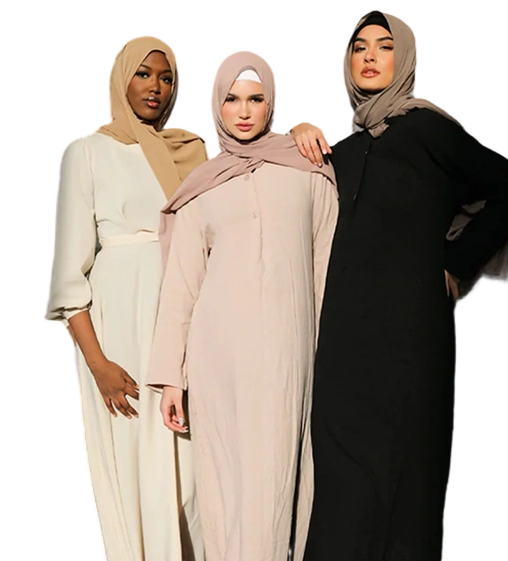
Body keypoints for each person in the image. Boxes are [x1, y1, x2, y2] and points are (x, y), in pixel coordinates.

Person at [291, 12, 508, 561]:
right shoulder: (339, 152)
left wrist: (459, 262)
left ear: (405, 58)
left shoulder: (428, 131)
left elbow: (505, 187)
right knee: (340, 500)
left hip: (410, 345)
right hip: (340, 348)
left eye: (384, 46)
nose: (369, 56)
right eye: (359, 46)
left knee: (405, 495)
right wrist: (295, 133)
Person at [146, 50, 338, 561]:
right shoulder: (203, 187)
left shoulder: (310, 173)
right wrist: (171, 379)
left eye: (255, 99)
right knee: (225, 483)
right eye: (232, 99)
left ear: (272, 103)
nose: (244, 111)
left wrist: (333, 357)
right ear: (217, 105)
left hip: (289, 354)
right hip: (218, 359)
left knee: (278, 479)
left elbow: (327, 273)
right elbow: (182, 289)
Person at [44, 36, 209, 561]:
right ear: (121, 78)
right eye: (143, 74)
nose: (155, 87)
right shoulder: (87, 151)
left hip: (185, 320)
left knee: (191, 479)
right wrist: (98, 364)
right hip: (121, 331)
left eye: (166, 77)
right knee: (137, 468)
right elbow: (68, 279)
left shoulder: (193, 151)